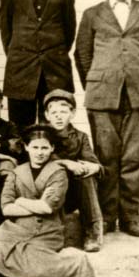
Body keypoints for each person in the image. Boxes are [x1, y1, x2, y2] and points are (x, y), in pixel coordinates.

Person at [74, 0, 139, 237]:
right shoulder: (93, 14)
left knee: (135, 158)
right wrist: (100, 80)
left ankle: (130, 217)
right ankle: (108, 216)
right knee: (106, 158)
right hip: (103, 98)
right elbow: (82, 54)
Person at [0, 125, 94, 277]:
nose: (39, 152)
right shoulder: (17, 172)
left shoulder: (58, 172)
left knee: (34, 264)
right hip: (17, 229)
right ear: (26, 147)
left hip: (46, 229)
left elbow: (47, 208)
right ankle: (27, 274)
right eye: (35, 147)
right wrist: (35, 204)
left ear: (52, 148)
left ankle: (74, 263)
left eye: (44, 148)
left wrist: (20, 201)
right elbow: (6, 208)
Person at [0, 0, 76, 128]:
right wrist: (24, 55)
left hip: (54, 71)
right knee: (19, 130)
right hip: (21, 72)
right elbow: (6, 34)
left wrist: (51, 53)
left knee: (55, 129)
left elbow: (69, 32)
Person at [44, 89, 103, 252]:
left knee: (87, 177)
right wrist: (65, 162)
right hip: (49, 188)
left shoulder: (80, 136)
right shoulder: (42, 134)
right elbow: (38, 161)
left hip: (73, 191)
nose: (58, 116)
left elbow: (91, 160)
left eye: (63, 112)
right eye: (54, 112)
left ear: (72, 113)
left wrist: (94, 167)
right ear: (47, 115)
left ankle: (92, 233)